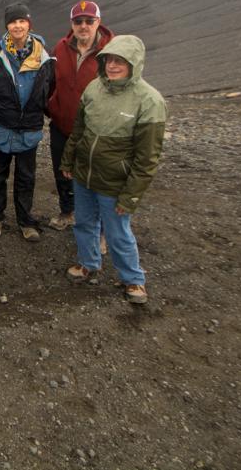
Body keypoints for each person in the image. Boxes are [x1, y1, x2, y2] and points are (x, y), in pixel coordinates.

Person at [60, 35, 166, 305]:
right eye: (109, 60)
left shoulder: (149, 101)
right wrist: (68, 161)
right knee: (84, 222)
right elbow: (79, 131)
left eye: (120, 61)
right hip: (85, 174)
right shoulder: (94, 89)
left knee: (118, 231)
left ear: (134, 63)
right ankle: (88, 263)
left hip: (115, 181)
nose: (113, 66)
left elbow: (147, 158)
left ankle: (133, 279)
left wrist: (131, 195)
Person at [0, 2, 55, 241]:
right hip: (0, 127)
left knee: (26, 178)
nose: (17, 25)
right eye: (13, 21)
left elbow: (50, 88)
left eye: (22, 21)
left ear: (29, 24)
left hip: (29, 129)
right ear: (7, 26)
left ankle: (25, 220)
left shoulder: (44, 58)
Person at [45, 0, 115, 232]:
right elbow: (50, 82)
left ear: (98, 22)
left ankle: (102, 229)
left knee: (96, 178)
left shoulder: (112, 51)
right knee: (62, 173)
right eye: (78, 21)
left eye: (89, 21)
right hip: (63, 125)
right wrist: (51, 107)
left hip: (95, 131)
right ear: (72, 24)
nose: (83, 26)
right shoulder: (61, 48)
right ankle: (68, 212)